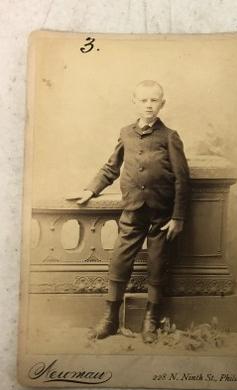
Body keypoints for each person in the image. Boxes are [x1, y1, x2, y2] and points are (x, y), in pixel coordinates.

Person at [69, 80, 190, 343]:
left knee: (157, 264)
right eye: (144, 100)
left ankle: (151, 320)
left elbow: (182, 179)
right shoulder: (126, 133)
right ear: (134, 102)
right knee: (119, 260)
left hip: (162, 214)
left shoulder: (169, 136)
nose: (149, 105)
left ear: (162, 103)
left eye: (154, 100)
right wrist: (91, 190)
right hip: (133, 210)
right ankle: (110, 318)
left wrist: (177, 217)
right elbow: (111, 168)